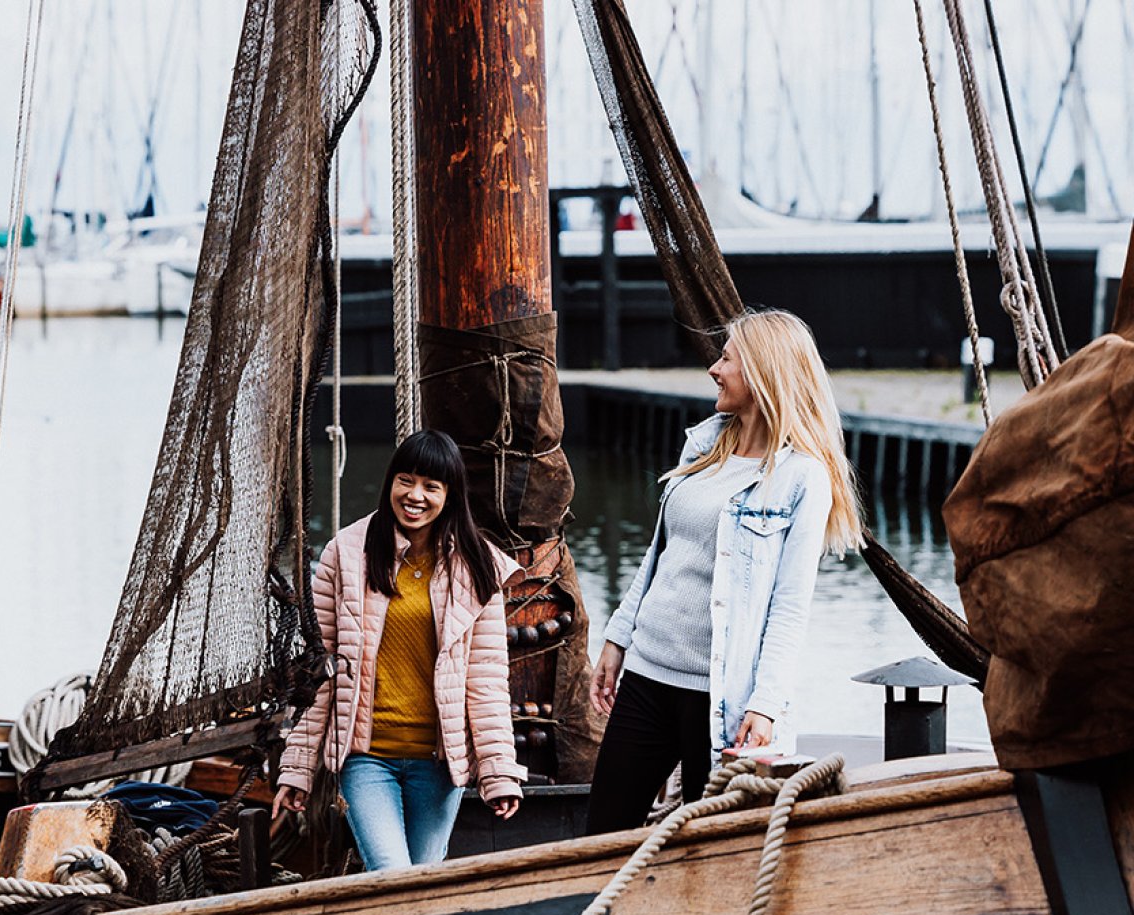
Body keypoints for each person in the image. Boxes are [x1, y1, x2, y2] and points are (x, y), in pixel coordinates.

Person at [586, 309, 864, 835]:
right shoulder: (704, 445)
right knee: (603, 835)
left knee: (708, 847)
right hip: (647, 673)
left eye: (727, 359)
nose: (715, 369)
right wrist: (618, 638)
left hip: (721, 697)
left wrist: (766, 706)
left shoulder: (801, 478)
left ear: (762, 372)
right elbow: (660, 554)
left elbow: (789, 608)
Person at [272, 430, 526, 871]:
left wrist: (499, 770)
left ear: (450, 495)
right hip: (367, 759)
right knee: (391, 876)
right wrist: (298, 768)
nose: (415, 495)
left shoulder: (478, 567)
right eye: (406, 480)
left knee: (424, 882)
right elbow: (318, 674)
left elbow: (486, 682)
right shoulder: (346, 555)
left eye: (432, 486)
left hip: (438, 764)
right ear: (390, 482)